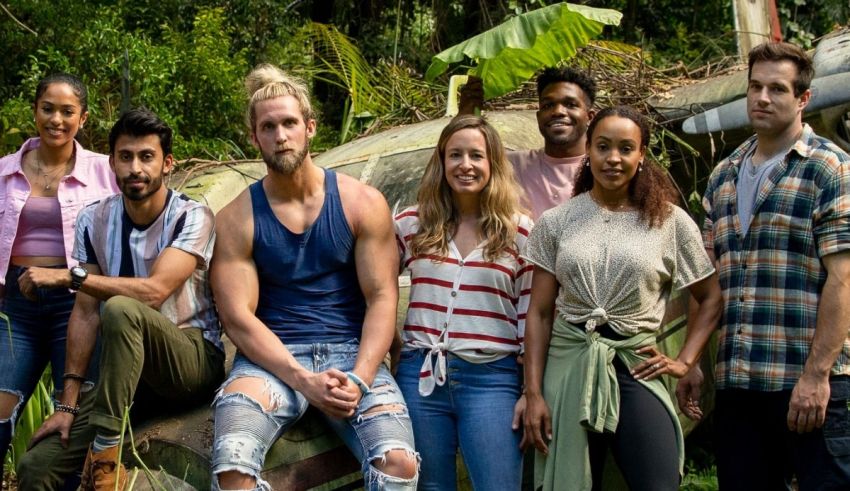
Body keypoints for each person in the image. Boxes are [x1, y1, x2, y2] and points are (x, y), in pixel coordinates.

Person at [210, 64, 418, 490]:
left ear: (310, 128)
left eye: (289, 123)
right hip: (270, 360)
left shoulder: (362, 203)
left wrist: (360, 378)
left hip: (350, 354)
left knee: (398, 463)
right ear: (254, 137)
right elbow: (237, 319)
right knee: (232, 466)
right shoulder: (236, 218)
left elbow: (381, 297)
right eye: (268, 127)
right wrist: (302, 379)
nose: (280, 135)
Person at [17, 107, 224, 491]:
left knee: (123, 307)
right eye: (125, 157)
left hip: (190, 360)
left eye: (147, 157)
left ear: (167, 163)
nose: (135, 168)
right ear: (111, 162)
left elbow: (155, 290)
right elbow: (84, 312)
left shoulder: (192, 216)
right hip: (124, 376)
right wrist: (67, 404)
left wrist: (69, 277)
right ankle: (100, 444)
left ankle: (105, 460)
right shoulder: (93, 219)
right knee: (36, 467)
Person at [676, 42, 850, 490]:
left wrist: (816, 376)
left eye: (777, 88)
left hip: (809, 384)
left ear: (803, 99)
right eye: (755, 87)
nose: (762, 98)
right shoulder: (723, 175)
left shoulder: (829, 169)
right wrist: (691, 361)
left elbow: (844, 279)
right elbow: (707, 282)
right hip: (739, 382)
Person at [522, 106, 722, 491]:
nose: (613, 158)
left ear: (641, 154)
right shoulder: (557, 221)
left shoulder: (670, 221)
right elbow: (540, 314)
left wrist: (685, 361)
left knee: (659, 481)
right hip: (567, 367)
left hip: (635, 363)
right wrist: (534, 394)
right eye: (603, 147)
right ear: (589, 151)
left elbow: (710, 297)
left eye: (625, 148)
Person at [393, 115, 532, 489]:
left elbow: (530, 318)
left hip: (492, 378)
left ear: (493, 164)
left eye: (476, 155)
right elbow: (374, 291)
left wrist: (530, 392)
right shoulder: (410, 224)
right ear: (441, 161)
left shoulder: (520, 231)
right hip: (419, 374)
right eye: (455, 155)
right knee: (430, 486)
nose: (465, 165)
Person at [0, 73, 119, 481]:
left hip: (80, 302)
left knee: (73, 418)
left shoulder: (105, 171)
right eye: (47, 109)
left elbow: (146, 205)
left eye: (67, 111)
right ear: (35, 111)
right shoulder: (3, 173)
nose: (56, 119)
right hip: (17, 304)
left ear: (82, 119)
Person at [460, 67, 596, 220]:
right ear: (538, 117)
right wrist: (465, 113)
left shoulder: (604, 170)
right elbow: (449, 171)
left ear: (590, 117)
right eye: (548, 105)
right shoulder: (510, 165)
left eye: (570, 105)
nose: (558, 111)